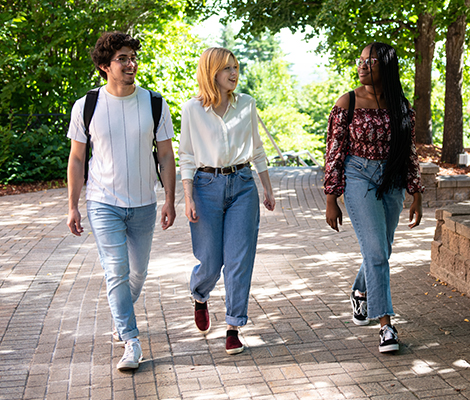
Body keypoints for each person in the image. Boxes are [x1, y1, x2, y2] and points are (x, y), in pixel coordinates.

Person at [66, 31, 176, 371]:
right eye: (122, 59)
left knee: (138, 273)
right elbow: (77, 159)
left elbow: (167, 156)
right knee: (116, 271)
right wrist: (72, 204)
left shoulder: (154, 103)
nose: (131, 64)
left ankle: (120, 315)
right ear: (104, 66)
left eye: (133, 57)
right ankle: (131, 341)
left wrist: (170, 199)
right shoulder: (87, 105)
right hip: (103, 202)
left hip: (143, 202)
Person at [324, 42, 424, 353]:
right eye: (362, 60)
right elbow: (334, 151)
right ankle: (386, 327)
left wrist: (416, 191)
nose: (364, 65)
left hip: (392, 180)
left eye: (372, 61)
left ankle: (360, 291)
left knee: (383, 249)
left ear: (387, 67)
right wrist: (332, 197)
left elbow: (409, 151)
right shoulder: (348, 102)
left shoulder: (402, 107)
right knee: (377, 254)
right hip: (358, 177)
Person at [179, 47, 276, 355]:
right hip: (205, 187)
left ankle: (233, 326)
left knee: (238, 260)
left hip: (243, 186)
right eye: (227, 69)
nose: (234, 73)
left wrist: (268, 189)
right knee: (210, 261)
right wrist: (188, 197)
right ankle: (200, 294)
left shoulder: (247, 104)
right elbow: (187, 156)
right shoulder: (191, 110)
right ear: (212, 74)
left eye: (235, 67)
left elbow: (257, 148)